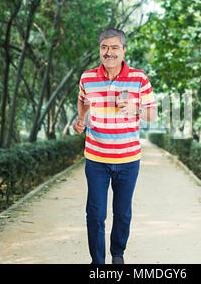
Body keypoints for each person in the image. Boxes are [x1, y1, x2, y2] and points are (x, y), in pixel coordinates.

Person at [73, 28, 157, 264]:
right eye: (104, 47)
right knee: (96, 213)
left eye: (114, 47)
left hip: (128, 159)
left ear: (123, 50)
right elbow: (83, 102)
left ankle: (117, 254)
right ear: (100, 50)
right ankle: (98, 262)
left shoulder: (139, 78)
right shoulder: (87, 78)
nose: (108, 53)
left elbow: (153, 114)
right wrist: (81, 120)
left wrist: (136, 109)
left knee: (122, 213)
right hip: (96, 157)